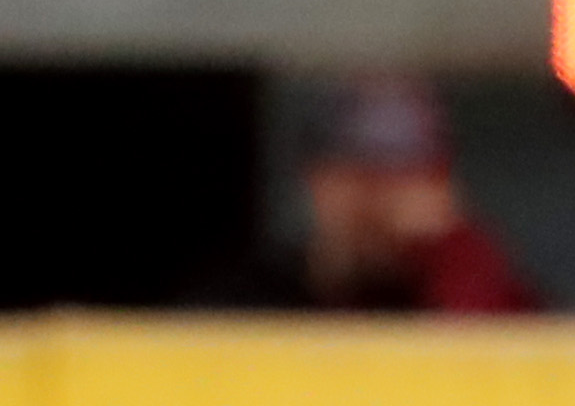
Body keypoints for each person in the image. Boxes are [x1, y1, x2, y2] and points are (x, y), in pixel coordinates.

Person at [228, 75, 542, 314]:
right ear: (315, 180)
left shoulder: (470, 287)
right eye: (360, 176)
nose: (378, 202)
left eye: (400, 178)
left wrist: (453, 253)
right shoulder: (249, 304)